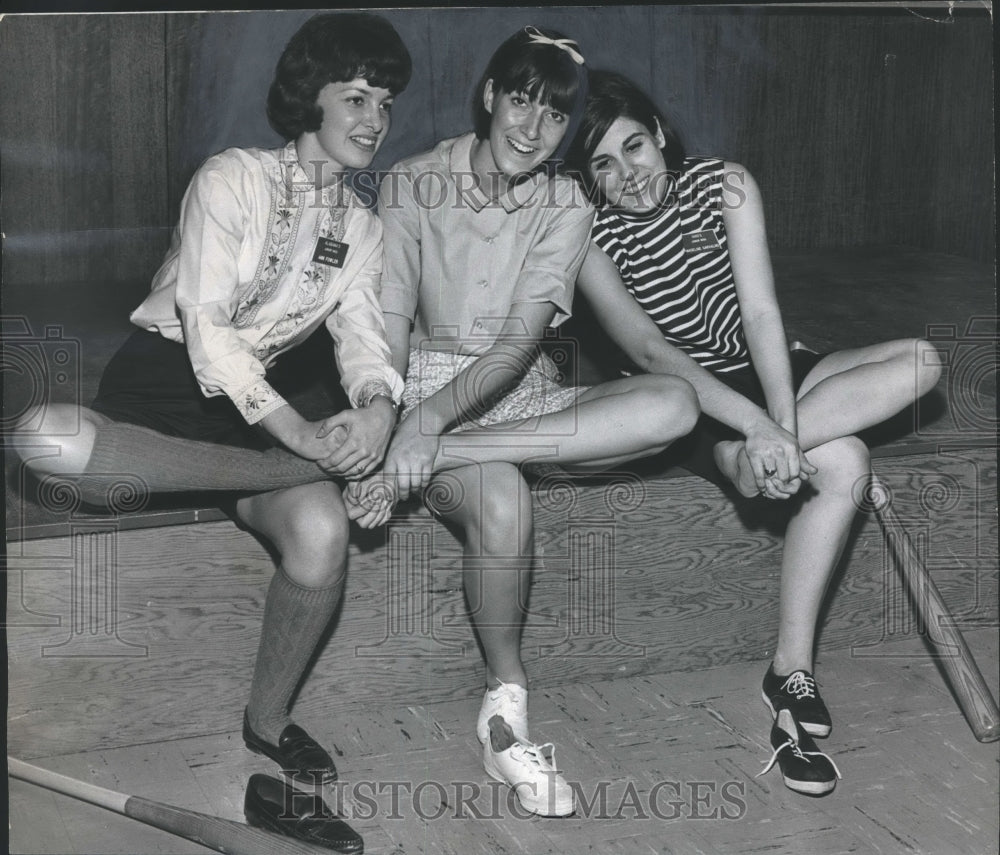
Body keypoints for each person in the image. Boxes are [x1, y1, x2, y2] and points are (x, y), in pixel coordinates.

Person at [11, 12, 412, 785]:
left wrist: (378, 413)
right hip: (165, 387)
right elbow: (210, 332)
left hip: (259, 409)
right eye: (357, 97)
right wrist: (304, 442)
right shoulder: (231, 177)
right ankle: (273, 474)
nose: (376, 120)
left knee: (324, 528)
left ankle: (269, 721)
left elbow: (365, 343)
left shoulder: (362, 228)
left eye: (387, 102)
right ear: (313, 101)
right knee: (42, 437)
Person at [344, 29, 699, 816]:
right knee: (504, 495)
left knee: (675, 401)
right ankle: (506, 705)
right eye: (520, 101)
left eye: (554, 116)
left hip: (517, 401)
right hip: (429, 389)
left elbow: (515, 348)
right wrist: (393, 419)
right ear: (490, 96)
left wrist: (430, 440)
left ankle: (448, 454)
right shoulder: (410, 182)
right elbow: (388, 322)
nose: (532, 129)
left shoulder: (567, 201)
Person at [567, 70, 941, 796]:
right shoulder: (585, 234)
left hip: (773, 375)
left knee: (923, 362)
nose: (628, 175)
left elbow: (764, 315)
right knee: (850, 459)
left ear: (661, 133)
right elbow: (650, 352)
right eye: (603, 165)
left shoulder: (725, 184)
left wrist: (778, 425)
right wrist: (752, 426)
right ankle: (790, 670)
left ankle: (758, 460)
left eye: (635, 146)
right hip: (690, 398)